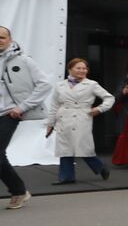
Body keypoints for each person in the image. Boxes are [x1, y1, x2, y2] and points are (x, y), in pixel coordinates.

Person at [0, 26, 53, 209]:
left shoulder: (23, 61)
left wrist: (22, 107)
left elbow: (44, 85)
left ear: (10, 39)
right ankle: (18, 190)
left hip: (8, 113)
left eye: (2, 37)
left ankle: (18, 191)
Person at [45, 57, 115, 183]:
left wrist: (100, 109)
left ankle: (100, 167)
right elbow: (54, 105)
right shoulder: (60, 85)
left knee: (83, 147)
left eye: (84, 68)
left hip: (82, 116)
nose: (82, 71)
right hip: (64, 117)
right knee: (65, 148)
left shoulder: (91, 84)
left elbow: (109, 98)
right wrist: (50, 123)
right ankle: (66, 177)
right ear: (70, 69)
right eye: (78, 68)